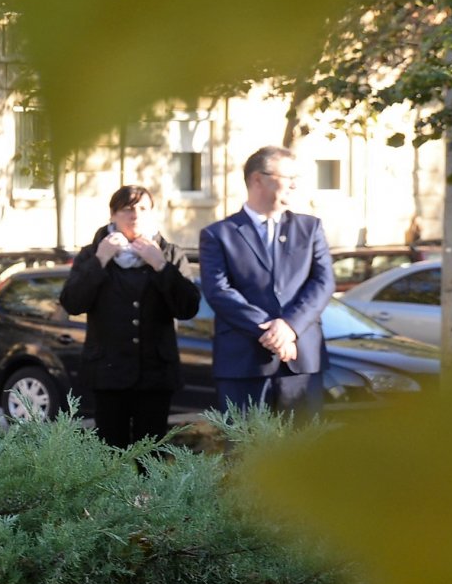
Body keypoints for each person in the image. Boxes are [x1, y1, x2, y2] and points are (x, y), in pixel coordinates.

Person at [59, 184, 202, 445]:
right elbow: (72, 303)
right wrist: (100, 260)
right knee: (110, 454)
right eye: (127, 209)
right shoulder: (93, 253)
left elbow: (188, 307)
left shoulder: (169, 253)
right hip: (108, 374)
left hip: (155, 375)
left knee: (152, 453)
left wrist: (159, 265)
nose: (135, 214)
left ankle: (149, 490)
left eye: (143, 208)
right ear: (113, 215)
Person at [198, 145, 335, 416]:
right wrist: (270, 332)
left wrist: (290, 327)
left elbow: (323, 282)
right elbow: (219, 291)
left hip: (300, 360)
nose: (295, 186)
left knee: (303, 452)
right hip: (243, 364)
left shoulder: (310, 228)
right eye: (288, 178)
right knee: (246, 452)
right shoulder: (218, 234)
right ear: (257, 179)